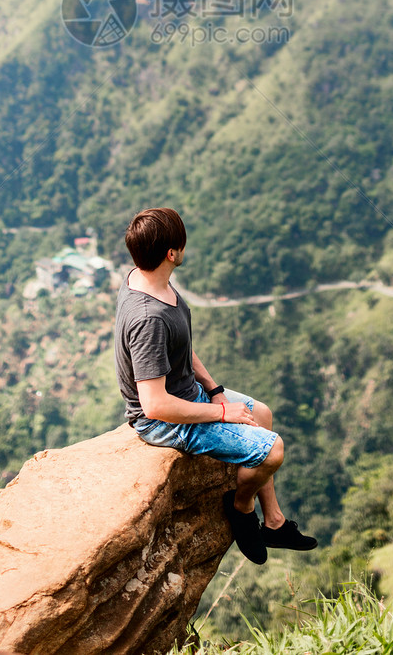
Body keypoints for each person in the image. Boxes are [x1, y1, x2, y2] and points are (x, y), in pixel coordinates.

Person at [113, 206, 317, 564]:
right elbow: (155, 405)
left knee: (263, 414)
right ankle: (241, 508)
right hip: (164, 421)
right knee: (274, 451)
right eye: (181, 244)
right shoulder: (148, 319)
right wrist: (222, 412)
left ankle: (273, 522)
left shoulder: (148, 279)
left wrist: (214, 387)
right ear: (171, 254)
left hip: (188, 392)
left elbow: (181, 347)